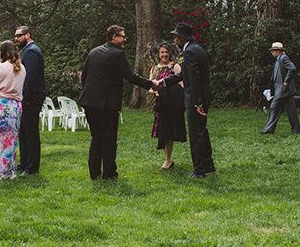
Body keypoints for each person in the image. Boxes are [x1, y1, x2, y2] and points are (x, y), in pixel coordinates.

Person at [78, 25, 157, 180]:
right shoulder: (117, 54)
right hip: (106, 104)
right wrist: (151, 84)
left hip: (89, 102)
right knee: (108, 139)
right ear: (114, 37)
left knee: (96, 137)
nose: (125, 39)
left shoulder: (94, 52)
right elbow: (130, 76)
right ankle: (109, 173)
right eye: (123, 36)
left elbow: (84, 76)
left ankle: (94, 172)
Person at [160, 23, 215, 178]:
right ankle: (208, 164)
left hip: (196, 99)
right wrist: (164, 81)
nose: (174, 40)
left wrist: (197, 103)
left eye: (176, 37)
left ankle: (199, 170)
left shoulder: (189, 52)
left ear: (182, 38)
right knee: (202, 132)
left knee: (196, 135)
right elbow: (184, 74)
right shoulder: (196, 49)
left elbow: (194, 78)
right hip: (201, 97)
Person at [0, 40, 26, 180]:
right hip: (16, 106)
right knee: (12, 139)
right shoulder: (22, 67)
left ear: (2, 52)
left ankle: (2, 171)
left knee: (0, 139)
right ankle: (10, 170)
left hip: (3, 106)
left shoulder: (1, 67)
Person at [148, 41, 186, 170]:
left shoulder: (175, 67)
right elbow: (150, 87)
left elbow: (181, 85)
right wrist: (155, 92)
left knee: (169, 131)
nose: (164, 55)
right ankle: (168, 159)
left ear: (170, 53)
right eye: (162, 52)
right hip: (160, 105)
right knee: (162, 131)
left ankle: (168, 160)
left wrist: (168, 92)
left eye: (166, 52)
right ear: (158, 54)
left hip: (172, 103)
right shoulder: (154, 69)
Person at [15, 26, 46, 176]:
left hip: (31, 98)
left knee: (31, 132)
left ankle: (31, 167)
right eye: (15, 36)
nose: (16, 39)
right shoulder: (26, 50)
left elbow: (31, 77)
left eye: (19, 36)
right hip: (26, 97)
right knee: (23, 132)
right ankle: (24, 163)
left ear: (27, 35)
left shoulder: (32, 51)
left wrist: (27, 98)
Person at [260, 42, 300, 136]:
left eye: (273, 50)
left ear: (279, 51)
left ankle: (296, 130)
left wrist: (286, 81)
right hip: (280, 90)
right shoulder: (279, 59)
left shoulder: (283, 58)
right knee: (274, 108)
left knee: (289, 111)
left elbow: (292, 68)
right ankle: (269, 129)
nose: (272, 52)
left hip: (284, 90)